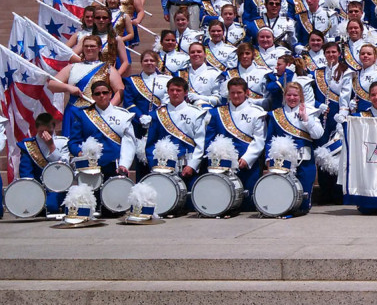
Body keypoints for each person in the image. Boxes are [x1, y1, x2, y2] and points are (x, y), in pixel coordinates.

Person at [145, 77, 206, 212]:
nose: (175, 93)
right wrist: (154, 165)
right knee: (165, 203)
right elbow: (150, 143)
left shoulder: (196, 113)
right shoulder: (158, 114)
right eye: (172, 90)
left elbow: (200, 144)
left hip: (187, 164)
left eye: (178, 90)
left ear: (185, 93)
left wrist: (192, 165)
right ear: (167, 91)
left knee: (189, 206)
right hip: (164, 165)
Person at [205, 78, 266, 210]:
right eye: (232, 93)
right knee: (224, 202)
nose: (236, 96)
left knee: (248, 203)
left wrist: (246, 158)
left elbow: (259, 140)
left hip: (247, 164)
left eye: (239, 92)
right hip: (223, 164)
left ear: (246, 92)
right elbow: (209, 139)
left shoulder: (256, 112)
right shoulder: (218, 113)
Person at [264, 81, 323, 215]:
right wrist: (268, 158)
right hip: (282, 162)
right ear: (284, 96)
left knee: (302, 203)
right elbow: (269, 139)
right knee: (284, 197)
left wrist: (306, 120)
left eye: (295, 95)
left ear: (301, 97)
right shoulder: (275, 114)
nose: (292, 98)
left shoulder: (311, 112)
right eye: (289, 95)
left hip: (305, 161)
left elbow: (318, 135)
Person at [67, 80, 136, 190]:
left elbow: (129, 142)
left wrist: (124, 164)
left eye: (105, 92)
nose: (101, 96)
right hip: (89, 167)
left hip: (115, 166)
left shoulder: (123, 115)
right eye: (97, 94)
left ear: (110, 94)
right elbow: (73, 142)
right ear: (93, 96)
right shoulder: (82, 114)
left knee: (112, 204)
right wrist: (80, 154)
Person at [50, 35, 124, 136]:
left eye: (92, 46)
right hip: (73, 112)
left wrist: (108, 108)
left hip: (96, 113)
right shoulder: (72, 67)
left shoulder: (108, 69)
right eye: (86, 46)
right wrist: (68, 87)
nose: (89, 48)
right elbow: (51, 84)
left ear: (99, 48)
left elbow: (120, 91)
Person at [17, 113, 70, 215]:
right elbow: (26, 172)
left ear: (53, 128)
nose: (46, 135)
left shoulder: (62, 143)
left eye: (49, 131)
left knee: (51, 206)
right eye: (42, 132)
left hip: (57, 186)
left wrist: (51, 146)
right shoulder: (28, 145)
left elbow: (64, 166)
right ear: (37, 129)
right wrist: (33, 191)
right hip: (36, 187)